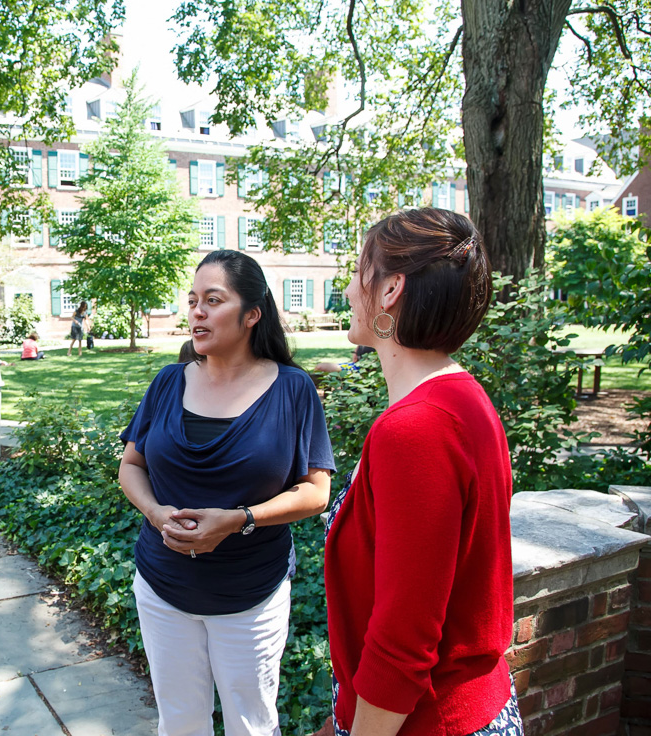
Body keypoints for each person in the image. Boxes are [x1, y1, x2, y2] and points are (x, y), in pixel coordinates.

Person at [119, 249, 335, 736]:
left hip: (250, 595)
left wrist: (239, 519)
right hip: (162, 587)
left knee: (251, 724)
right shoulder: (168, 381)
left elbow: (316, 491)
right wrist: (154, 513)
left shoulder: (293, 389)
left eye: (213, 300)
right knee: (179, 722)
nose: (197, 311)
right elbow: (131, 465)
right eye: (193, 300)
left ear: (252, 314)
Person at [323, 207, 520, 736]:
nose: (347, 288)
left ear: (390, 290)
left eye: (358, 270)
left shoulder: (417, 430)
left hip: (428, 722)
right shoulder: (464, 398)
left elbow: (403, 641)